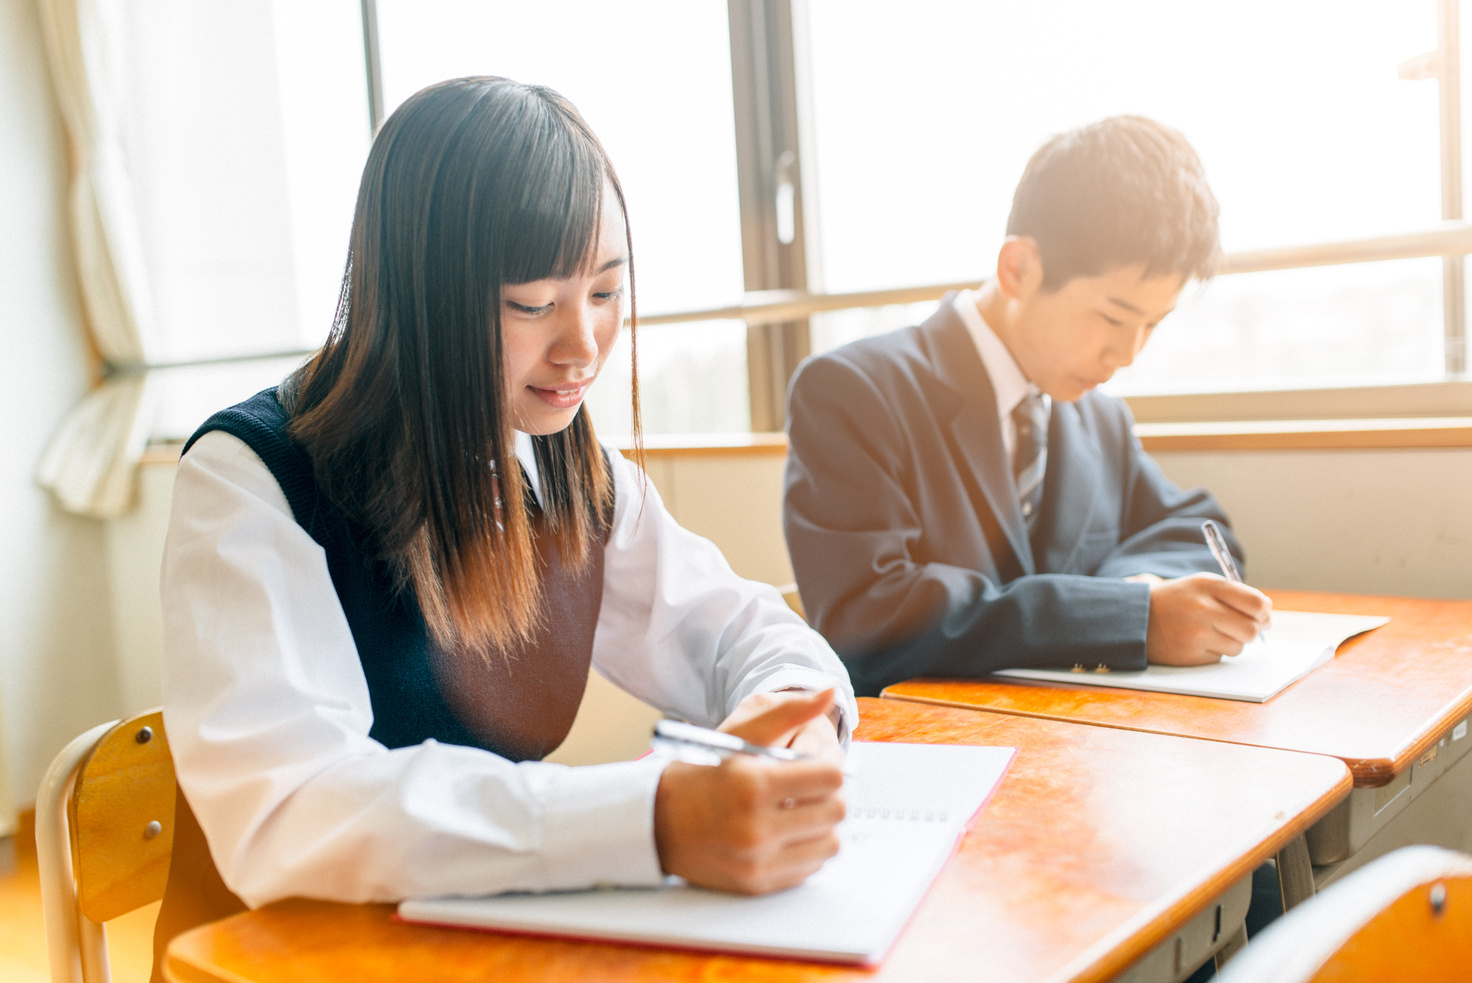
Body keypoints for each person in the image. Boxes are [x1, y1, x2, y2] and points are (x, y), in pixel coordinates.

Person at [154, 76, 856, 974]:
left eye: (605, 292)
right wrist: (648, 818)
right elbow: (293, 804)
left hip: (474, 947)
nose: (585, 347)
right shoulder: (254, 478)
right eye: (534, 304)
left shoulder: (568, 465)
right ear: (419, 295)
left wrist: (791, 721)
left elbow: (741, 630)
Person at [783, 115, 1272, 698]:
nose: (1128, 353)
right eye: (1114, 317)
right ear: (1018, 268)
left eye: (1152, 324)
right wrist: (1123, 616)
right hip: (928, 752)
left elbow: (1194, 530)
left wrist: (1131, 597)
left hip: (1083, 751)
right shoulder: (853, 392)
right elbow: (867, 616)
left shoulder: (1098, 419)